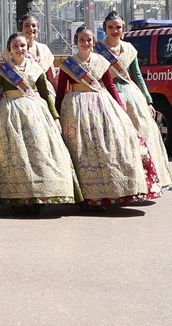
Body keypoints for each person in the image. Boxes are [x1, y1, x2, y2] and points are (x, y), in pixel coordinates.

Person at [54, 26, 159, 206]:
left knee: (107, 146)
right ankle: (85, 196)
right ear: (76, 42)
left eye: (89, 40)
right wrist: (56, 115)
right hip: (75, 110)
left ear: (93, 41)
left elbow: (110, 86)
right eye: (81, 40)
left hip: (101, 106)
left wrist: (120, 109)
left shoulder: (102, 62)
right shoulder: (68, 65)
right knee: (81, 150)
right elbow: (61, 92)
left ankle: (106, 193)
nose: (85, 43)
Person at [0, 33, 76, 207]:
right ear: (9, 49)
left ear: (27, 47)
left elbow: (45, 95)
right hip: (10, 114)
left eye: (22, 45)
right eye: (15, 46)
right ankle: (18, 198)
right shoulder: (1, 70)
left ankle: (40, 195)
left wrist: (55, 117)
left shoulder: (35, 68)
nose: (19, 49)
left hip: (36, 113)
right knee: (16, 155)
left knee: (38, 151)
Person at [100, 11, 172, 189]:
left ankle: (145, 178)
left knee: (143, 130)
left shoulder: (129, 49)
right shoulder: (97, 50)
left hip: (131, 95)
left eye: (118, 27)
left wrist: (148, 100)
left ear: (123, 29)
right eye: (110, 27)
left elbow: (137, 75)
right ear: (105, 29)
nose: (114, 31)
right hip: (106, 94)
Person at [19, 14, 56, 86]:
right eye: (27, 25)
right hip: (20, 90)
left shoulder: (44, 49)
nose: (31, 29)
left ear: (38, 29)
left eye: (34, 26)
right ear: (21, 29)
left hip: (43, 89)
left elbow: (52, 76)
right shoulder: (12, 50)